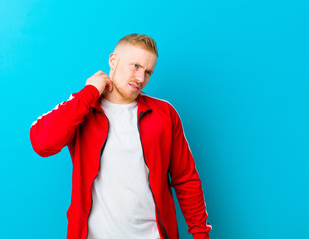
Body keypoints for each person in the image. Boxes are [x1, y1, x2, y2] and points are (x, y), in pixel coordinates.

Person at [30, 33, 212, 239]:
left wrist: (200, 235)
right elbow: (42, 143)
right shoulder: (81, 107)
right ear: (113, 61)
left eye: (148, 72)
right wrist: (90, 91)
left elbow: (186, 179)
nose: (141, 79)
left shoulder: (164, 114)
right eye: (135, 66)